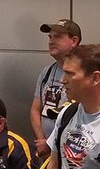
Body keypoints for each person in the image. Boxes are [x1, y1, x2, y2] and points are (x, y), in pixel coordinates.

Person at [30, 20, 81, 158]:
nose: (51, 41)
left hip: (70, 150)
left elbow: (81, 115)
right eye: (50, 37)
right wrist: (42, 140)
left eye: (57, 37)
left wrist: (49, 143)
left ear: (74, 40)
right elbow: (35, 110)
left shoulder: (82, 74)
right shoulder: (46, 72)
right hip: (46, 151)